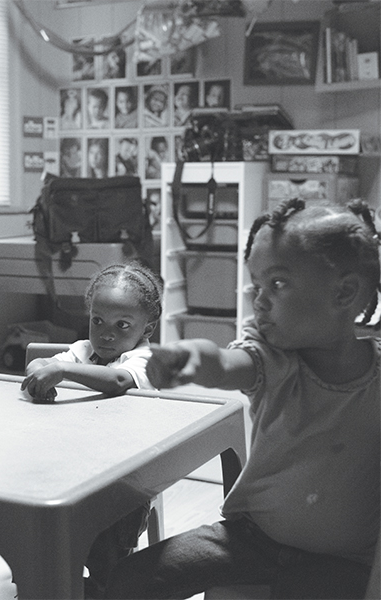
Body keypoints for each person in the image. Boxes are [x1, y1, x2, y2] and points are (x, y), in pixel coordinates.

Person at [106, 198, 381, 599]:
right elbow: (225, 362)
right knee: (131, 579)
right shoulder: (274, 357)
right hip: (250, 539)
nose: (260, 299)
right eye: (257, 284)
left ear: (344, 292)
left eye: (279, 283)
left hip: (342, 559)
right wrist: (191, 358)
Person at [21, 261, 164, 598]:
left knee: (108, 554)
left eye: (122, 324)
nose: (106, 333)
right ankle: (38, 585)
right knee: (32, 528)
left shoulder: (144, 359)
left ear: (147, 329)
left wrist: (62, 371)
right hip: (70, 473)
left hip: (124, 486)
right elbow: (39, 365)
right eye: (97, 321)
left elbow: (118, 381)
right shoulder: (82, 350)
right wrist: (40, 369)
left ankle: (103, 587)